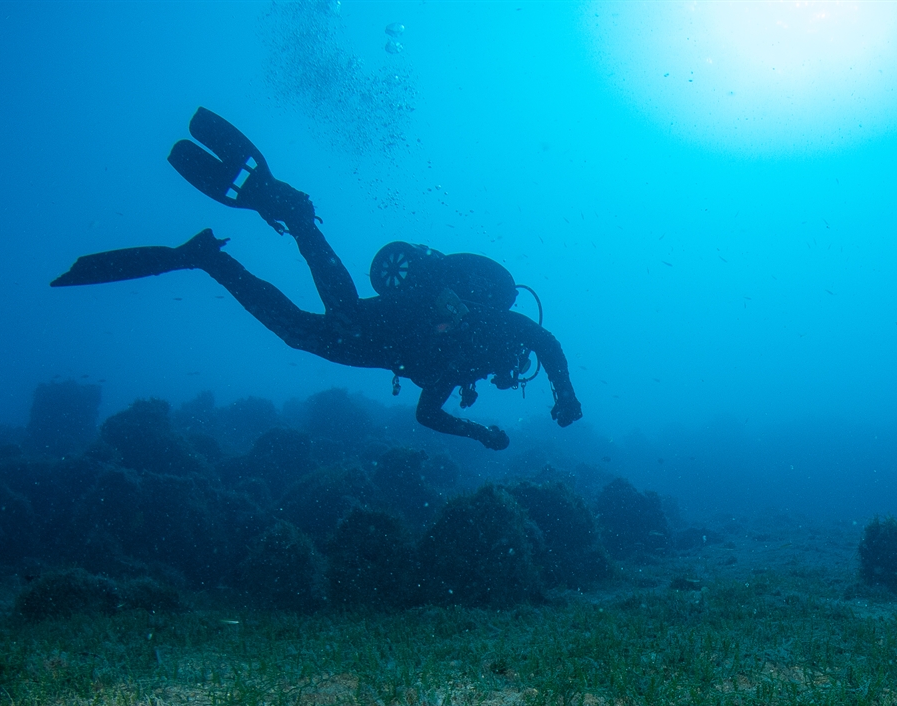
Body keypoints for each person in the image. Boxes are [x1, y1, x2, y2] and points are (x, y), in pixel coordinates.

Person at [51, 108, 580, 450]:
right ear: (513, 357)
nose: (507, 376)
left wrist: (477, 431)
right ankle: (300, 215)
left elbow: (425, 415)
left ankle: (207, 257)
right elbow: (547, 342)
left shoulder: (460, 370)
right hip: (388, 324)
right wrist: (566, 395)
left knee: (297, 334)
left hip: (378, 346)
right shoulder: (499, 326)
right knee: (344, 311)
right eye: (515, 370)